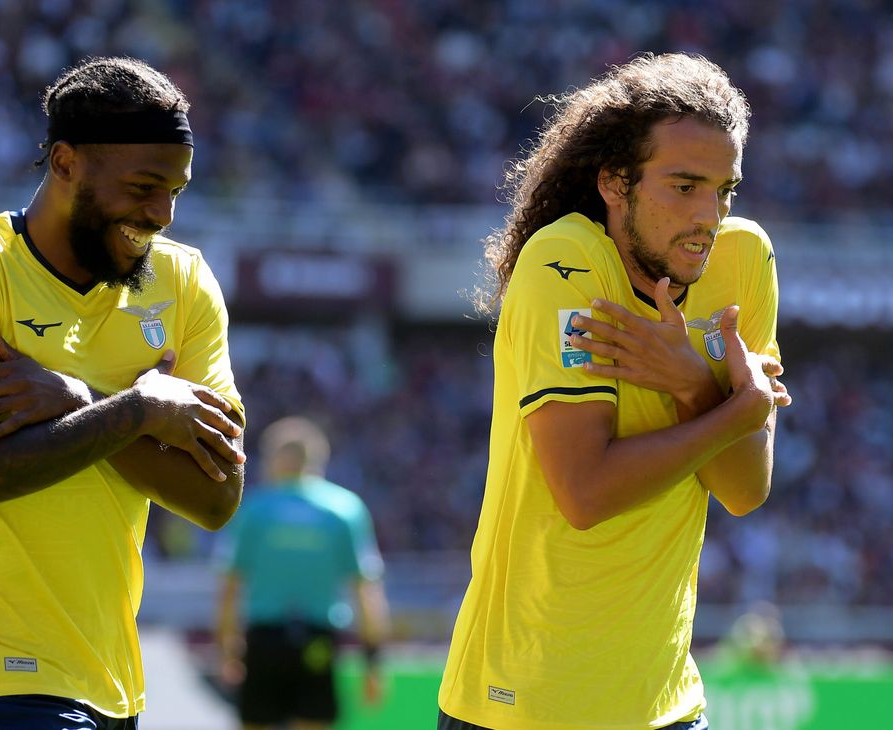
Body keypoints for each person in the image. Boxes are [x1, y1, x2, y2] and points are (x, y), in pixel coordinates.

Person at [438, 53, 793, 730]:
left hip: (666, 705)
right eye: (684, 186)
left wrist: (692, 384)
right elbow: (586, 493)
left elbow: (745, 489)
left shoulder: (745, 258)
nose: (709, 216)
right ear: (613, 182)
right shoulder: (565, 261)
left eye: (725, 190)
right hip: (524, 705)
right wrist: (732, 413)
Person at [0, 56, 246, 729]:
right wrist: (141, 410)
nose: (162, 213)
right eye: (143, 187)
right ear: (65, 163)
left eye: (176, 190)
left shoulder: (185, 284)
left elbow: (216, 496)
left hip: (108, 677)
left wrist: (80, 399)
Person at [214, 416, 389, 730]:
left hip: (264, 640)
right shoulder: (345, 509)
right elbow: (366, 591)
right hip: (317, 642)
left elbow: (230, 587)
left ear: (274, 459)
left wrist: (228, 651)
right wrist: (373, 663)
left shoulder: (253, 510)